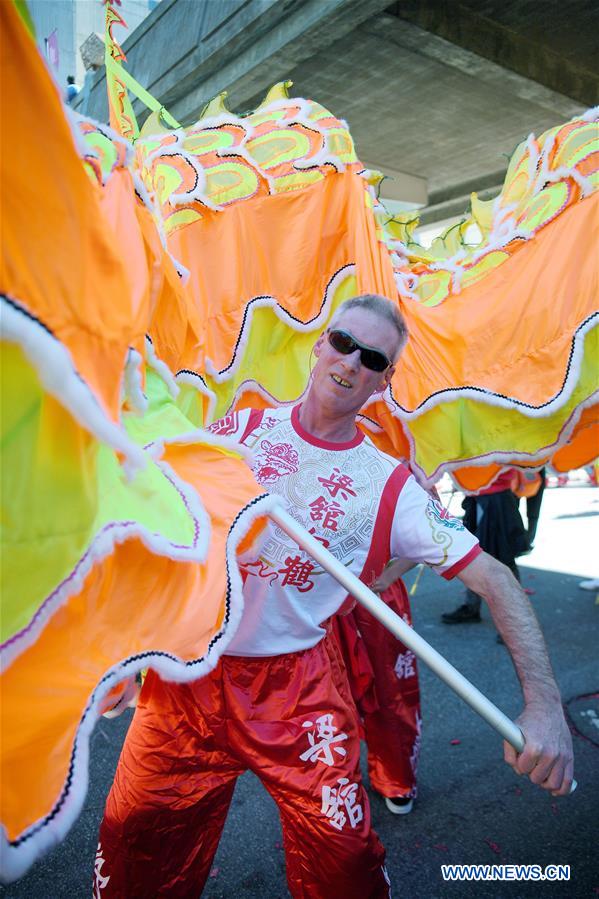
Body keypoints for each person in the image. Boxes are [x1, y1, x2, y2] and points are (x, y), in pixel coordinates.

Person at [95, 295, 574, 898]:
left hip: (297, 692)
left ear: (385, 380)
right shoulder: (235, 433)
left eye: (372, 358)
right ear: (321, 343)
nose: (351, 363)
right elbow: (156, 537)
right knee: (135, 846)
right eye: (344, 342)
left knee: (345, 865)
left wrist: (545, 709)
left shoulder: (392, 486)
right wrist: (121, 650)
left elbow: (496, 580)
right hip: (190, 675)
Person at [441, 469, 529, 625]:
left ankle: (517, 620)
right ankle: (471, 607)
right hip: (478, 498)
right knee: (471, 556)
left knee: (505, 560)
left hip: (496, 499)